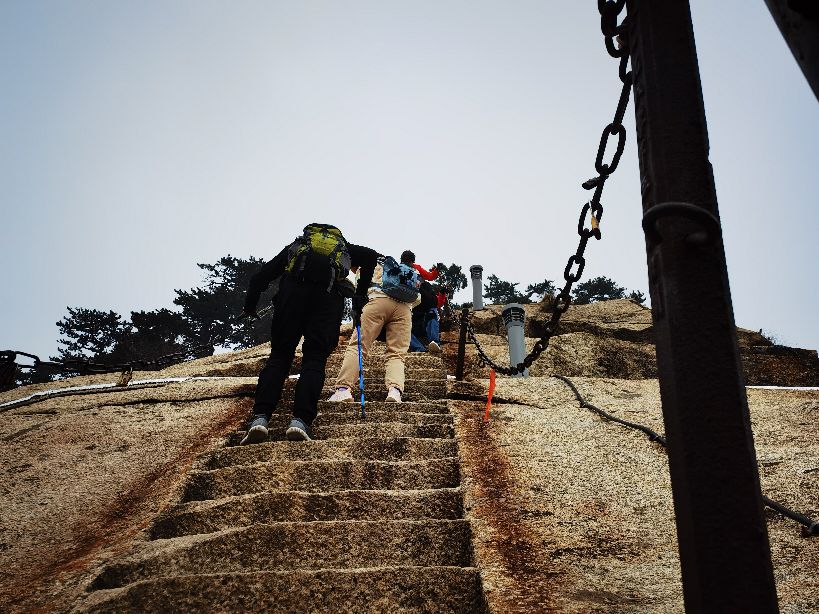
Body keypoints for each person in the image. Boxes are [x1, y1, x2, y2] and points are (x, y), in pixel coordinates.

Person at [241, 223, 378, 444]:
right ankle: (300, 421)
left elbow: (259, 278)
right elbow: (371, 256)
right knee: (315, 359)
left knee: (279, 356)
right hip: (327, 302)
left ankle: (260, 419)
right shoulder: (345, 250)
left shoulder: (297, 248)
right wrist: (359, 295)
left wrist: (250, 306)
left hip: (291, 299)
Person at [328, 249, 421, 403]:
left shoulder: (368, 266)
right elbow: (417, 298)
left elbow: (361, 290)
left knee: (358, 346)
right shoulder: (400, 270)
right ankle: (395, 390)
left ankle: (343, 389)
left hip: (377, 301)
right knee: (397, 353)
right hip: (405, 308)